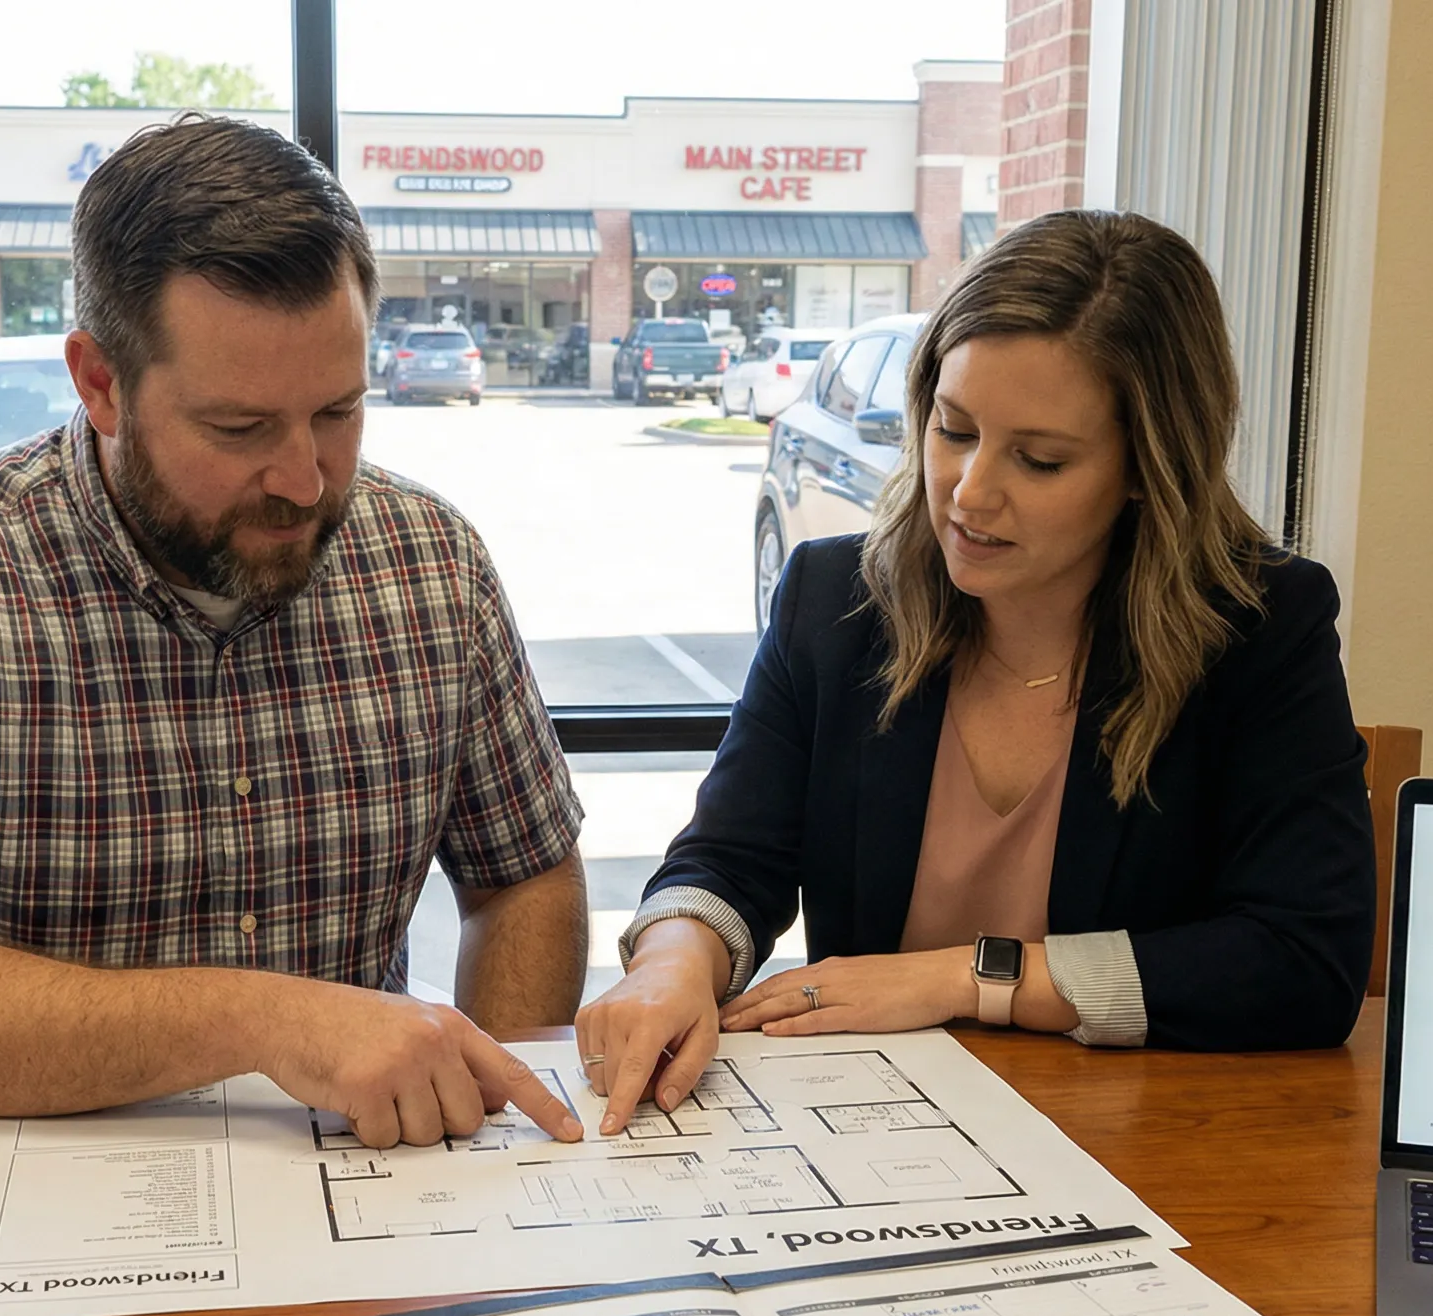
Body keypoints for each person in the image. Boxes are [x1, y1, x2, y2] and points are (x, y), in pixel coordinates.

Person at [0, 116, 586, 1149]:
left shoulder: (429, 561)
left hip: (360, 1188)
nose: (306, 479)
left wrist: (483, 1100)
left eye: (338, 410)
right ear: (101, 384)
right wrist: (261, 1018)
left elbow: (523, 876)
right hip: (24, 1206)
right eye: (238, 429)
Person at [576, 210, 1375, 1135]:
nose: (967, 492)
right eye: (953, 431)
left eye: (1038, 460)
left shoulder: (1258, 630)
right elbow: (731, 857)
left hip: (1145, 1140)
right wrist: (674, 957)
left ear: (1149, 471)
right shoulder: (836, 599)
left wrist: (962, 977)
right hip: (874, 1136)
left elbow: (1305, 963)